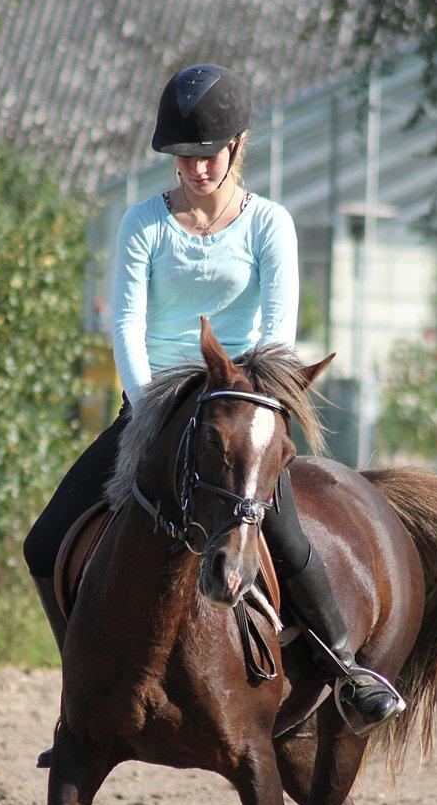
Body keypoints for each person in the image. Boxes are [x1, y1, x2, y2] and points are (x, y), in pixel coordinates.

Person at [23, 63, 400, 735]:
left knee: (280, 530)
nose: (195, 167)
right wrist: (147, 408)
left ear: (238, 146)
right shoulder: (143, 222)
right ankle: (78, 696)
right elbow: (126, 325)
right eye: (184, 156)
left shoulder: (269, 226)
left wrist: (240, 402)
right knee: (45, 541)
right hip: (153, 410)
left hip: (241, 412)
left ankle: (346, 670)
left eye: (208, 154)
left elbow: (275, 334)